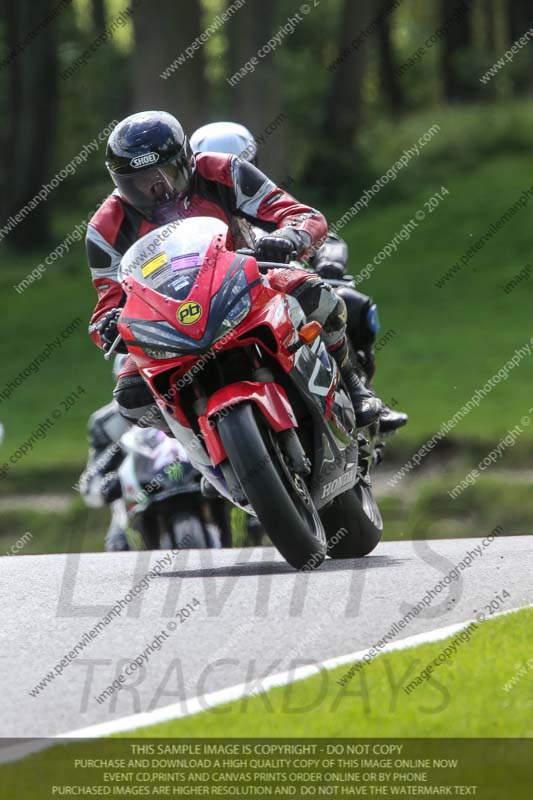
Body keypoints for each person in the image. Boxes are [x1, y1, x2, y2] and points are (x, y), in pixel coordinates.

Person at [86, 110, 382, 431]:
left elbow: (301, 215)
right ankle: (197, 450)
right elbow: (107, 302)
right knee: (130, 397)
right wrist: (108, 325)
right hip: (170, 320)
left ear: (187, 159)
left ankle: (354, 385)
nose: (156, 192)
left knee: (316, 294)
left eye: (164, 176)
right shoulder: (105, 226)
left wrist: (286, 237)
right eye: (139, 184)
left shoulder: (223, 170)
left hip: (250, 280)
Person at [190, 120, 407, 435]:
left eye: (236, 168)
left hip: (278, 294)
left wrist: (326, 262)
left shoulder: (267, 207)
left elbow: (323, 236)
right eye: (218, 172)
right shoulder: (189, 232)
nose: (225, 179)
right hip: (218, 310)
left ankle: (359, 391)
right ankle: (200, 454)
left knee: (350, 304)